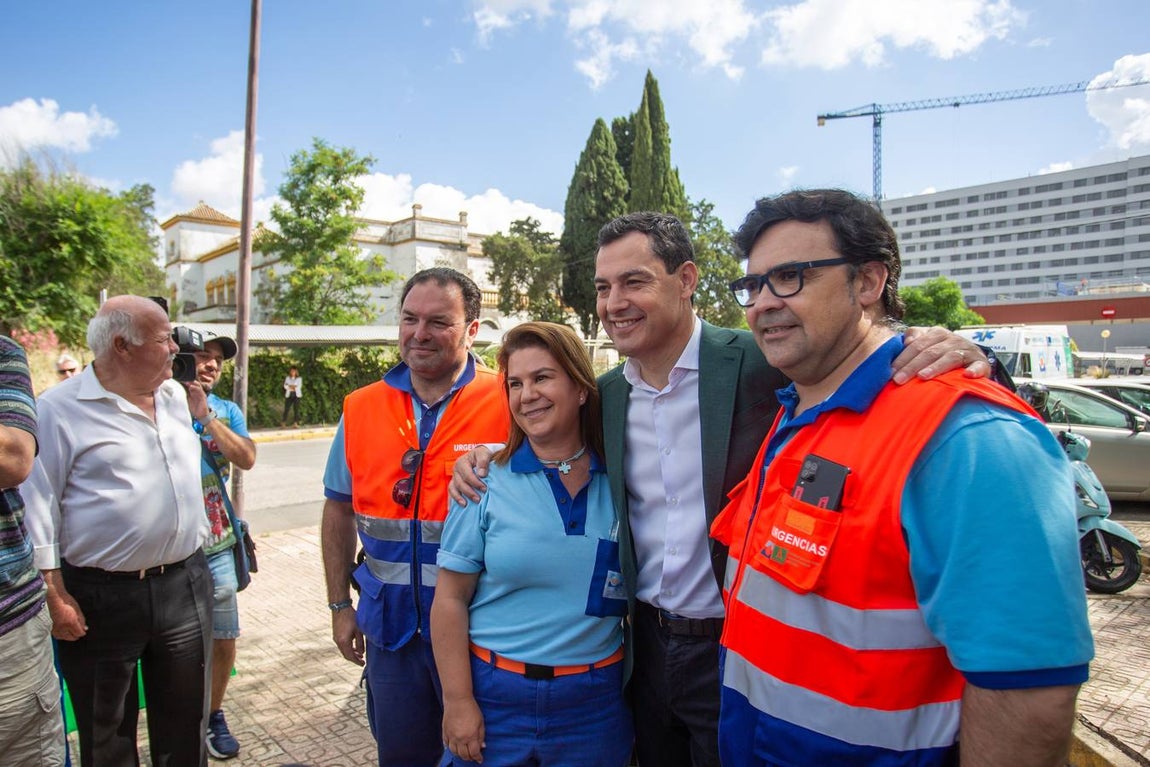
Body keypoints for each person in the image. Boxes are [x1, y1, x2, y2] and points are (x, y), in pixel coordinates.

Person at [451, 211, 988, 767]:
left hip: (735, 647)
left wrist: (968, 354)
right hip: (644, 651)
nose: (614, 303)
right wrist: (485, 456)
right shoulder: (606, 395)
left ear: (686, 280)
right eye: (604, 288)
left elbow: (858, 356)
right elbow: (547, 438)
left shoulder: (764, 359)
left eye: (634, 282)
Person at [712, 189, 1093, 766]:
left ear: (868, 282)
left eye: (789, 277)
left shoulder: (969, 438)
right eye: (752, 285)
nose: (762, 303)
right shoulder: (798, 410)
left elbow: (1028, 692)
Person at [320, 267, 510, 766]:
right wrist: (340, 605)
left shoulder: (509, 399)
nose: (419, 333)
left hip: (482, 633)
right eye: (409, 319)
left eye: (438, 322)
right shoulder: (360, 407)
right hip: (392, 635)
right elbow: (338, 509)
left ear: (473, 330)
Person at [23, 294, 213, 767]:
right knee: (106, 734)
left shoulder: (173, 396)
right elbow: (38, 502)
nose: (175, 347)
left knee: (186, 727)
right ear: (122, 346)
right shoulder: (59, 409)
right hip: (100, 597)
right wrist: (54, 592)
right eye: (163, 338)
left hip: (184, 585)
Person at [432, 322, 632, 767]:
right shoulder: (483, 480)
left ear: (581, 388)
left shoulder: (622, 480)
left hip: (594, 708)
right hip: (495, 698)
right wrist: (458, 700)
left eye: (542, 378)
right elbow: (449, 598)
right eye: (515, 384)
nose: (527, 395)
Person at [186, 330, 257, 760]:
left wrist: (206, 417)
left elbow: (246, 457)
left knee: (224, 632)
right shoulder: (155, 401)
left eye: (217, 359)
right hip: (168, 550)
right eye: (201, 355)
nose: (211, 364)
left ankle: (213, 713)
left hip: (215, 543)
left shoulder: (225, 410)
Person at [0, 335, 66, 766]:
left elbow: (13, 458)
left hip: (9, 637)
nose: (171, 349)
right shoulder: (64, 404)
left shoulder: (3, 354)